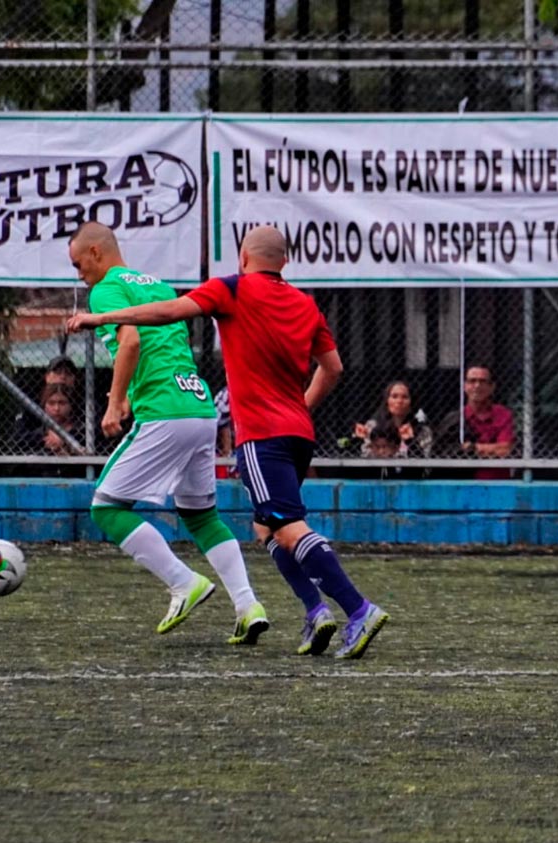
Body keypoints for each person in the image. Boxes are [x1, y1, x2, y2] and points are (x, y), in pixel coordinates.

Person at [68, 224, 389, 660]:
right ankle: (308, 610)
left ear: (242, 257)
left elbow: (163, 317)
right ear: (285, 262)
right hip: (292, 429)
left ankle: (357, 609)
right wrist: (301, 407)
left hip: (258, 433)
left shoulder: (231, 289)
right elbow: (332, 369)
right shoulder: (306, 304)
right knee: (264, 525)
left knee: (287, 526)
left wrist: (102, 319)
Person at [65, 221, 268, 644]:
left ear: (96, 253)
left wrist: (114, 401)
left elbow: (132, 343)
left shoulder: (104, 290)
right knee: (200, 515)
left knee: (106, 508)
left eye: (78, 263)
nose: (78, 273)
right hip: (198, 407)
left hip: (164, 411)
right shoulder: (158, 285)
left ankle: (182, 581)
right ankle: (248, 606)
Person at [434, 365, 516, 480]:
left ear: (492, 387)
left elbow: (504, 450)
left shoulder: (503, 414)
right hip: (462, 483)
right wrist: (489, 449)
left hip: (497, 483)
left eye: (483, 381)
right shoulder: (454, 419)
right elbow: (441, 452)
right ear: (464, 386)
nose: (477, 386)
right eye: (472, 381)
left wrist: (472, 448)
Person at [353, 380, 433, 460]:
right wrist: (358, 439)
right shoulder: (372, 426)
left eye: (405, 397)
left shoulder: (423, 431)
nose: (399, 401)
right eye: (394, 396)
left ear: (411, 403)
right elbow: (363, 455)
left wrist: (410, 441)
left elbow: (423, 460)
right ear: (387, 401)